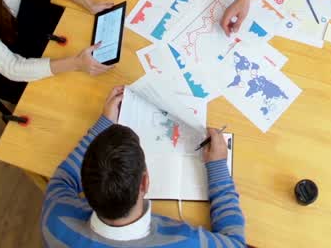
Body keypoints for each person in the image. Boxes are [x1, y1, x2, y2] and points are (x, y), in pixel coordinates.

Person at [41, 86, 246, 248]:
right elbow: (236, 243)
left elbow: (62, 178)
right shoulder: (185, 242)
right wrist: (218, 166)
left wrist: (104, 123)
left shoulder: (55, 219)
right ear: (145, 182)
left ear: (84, 185)